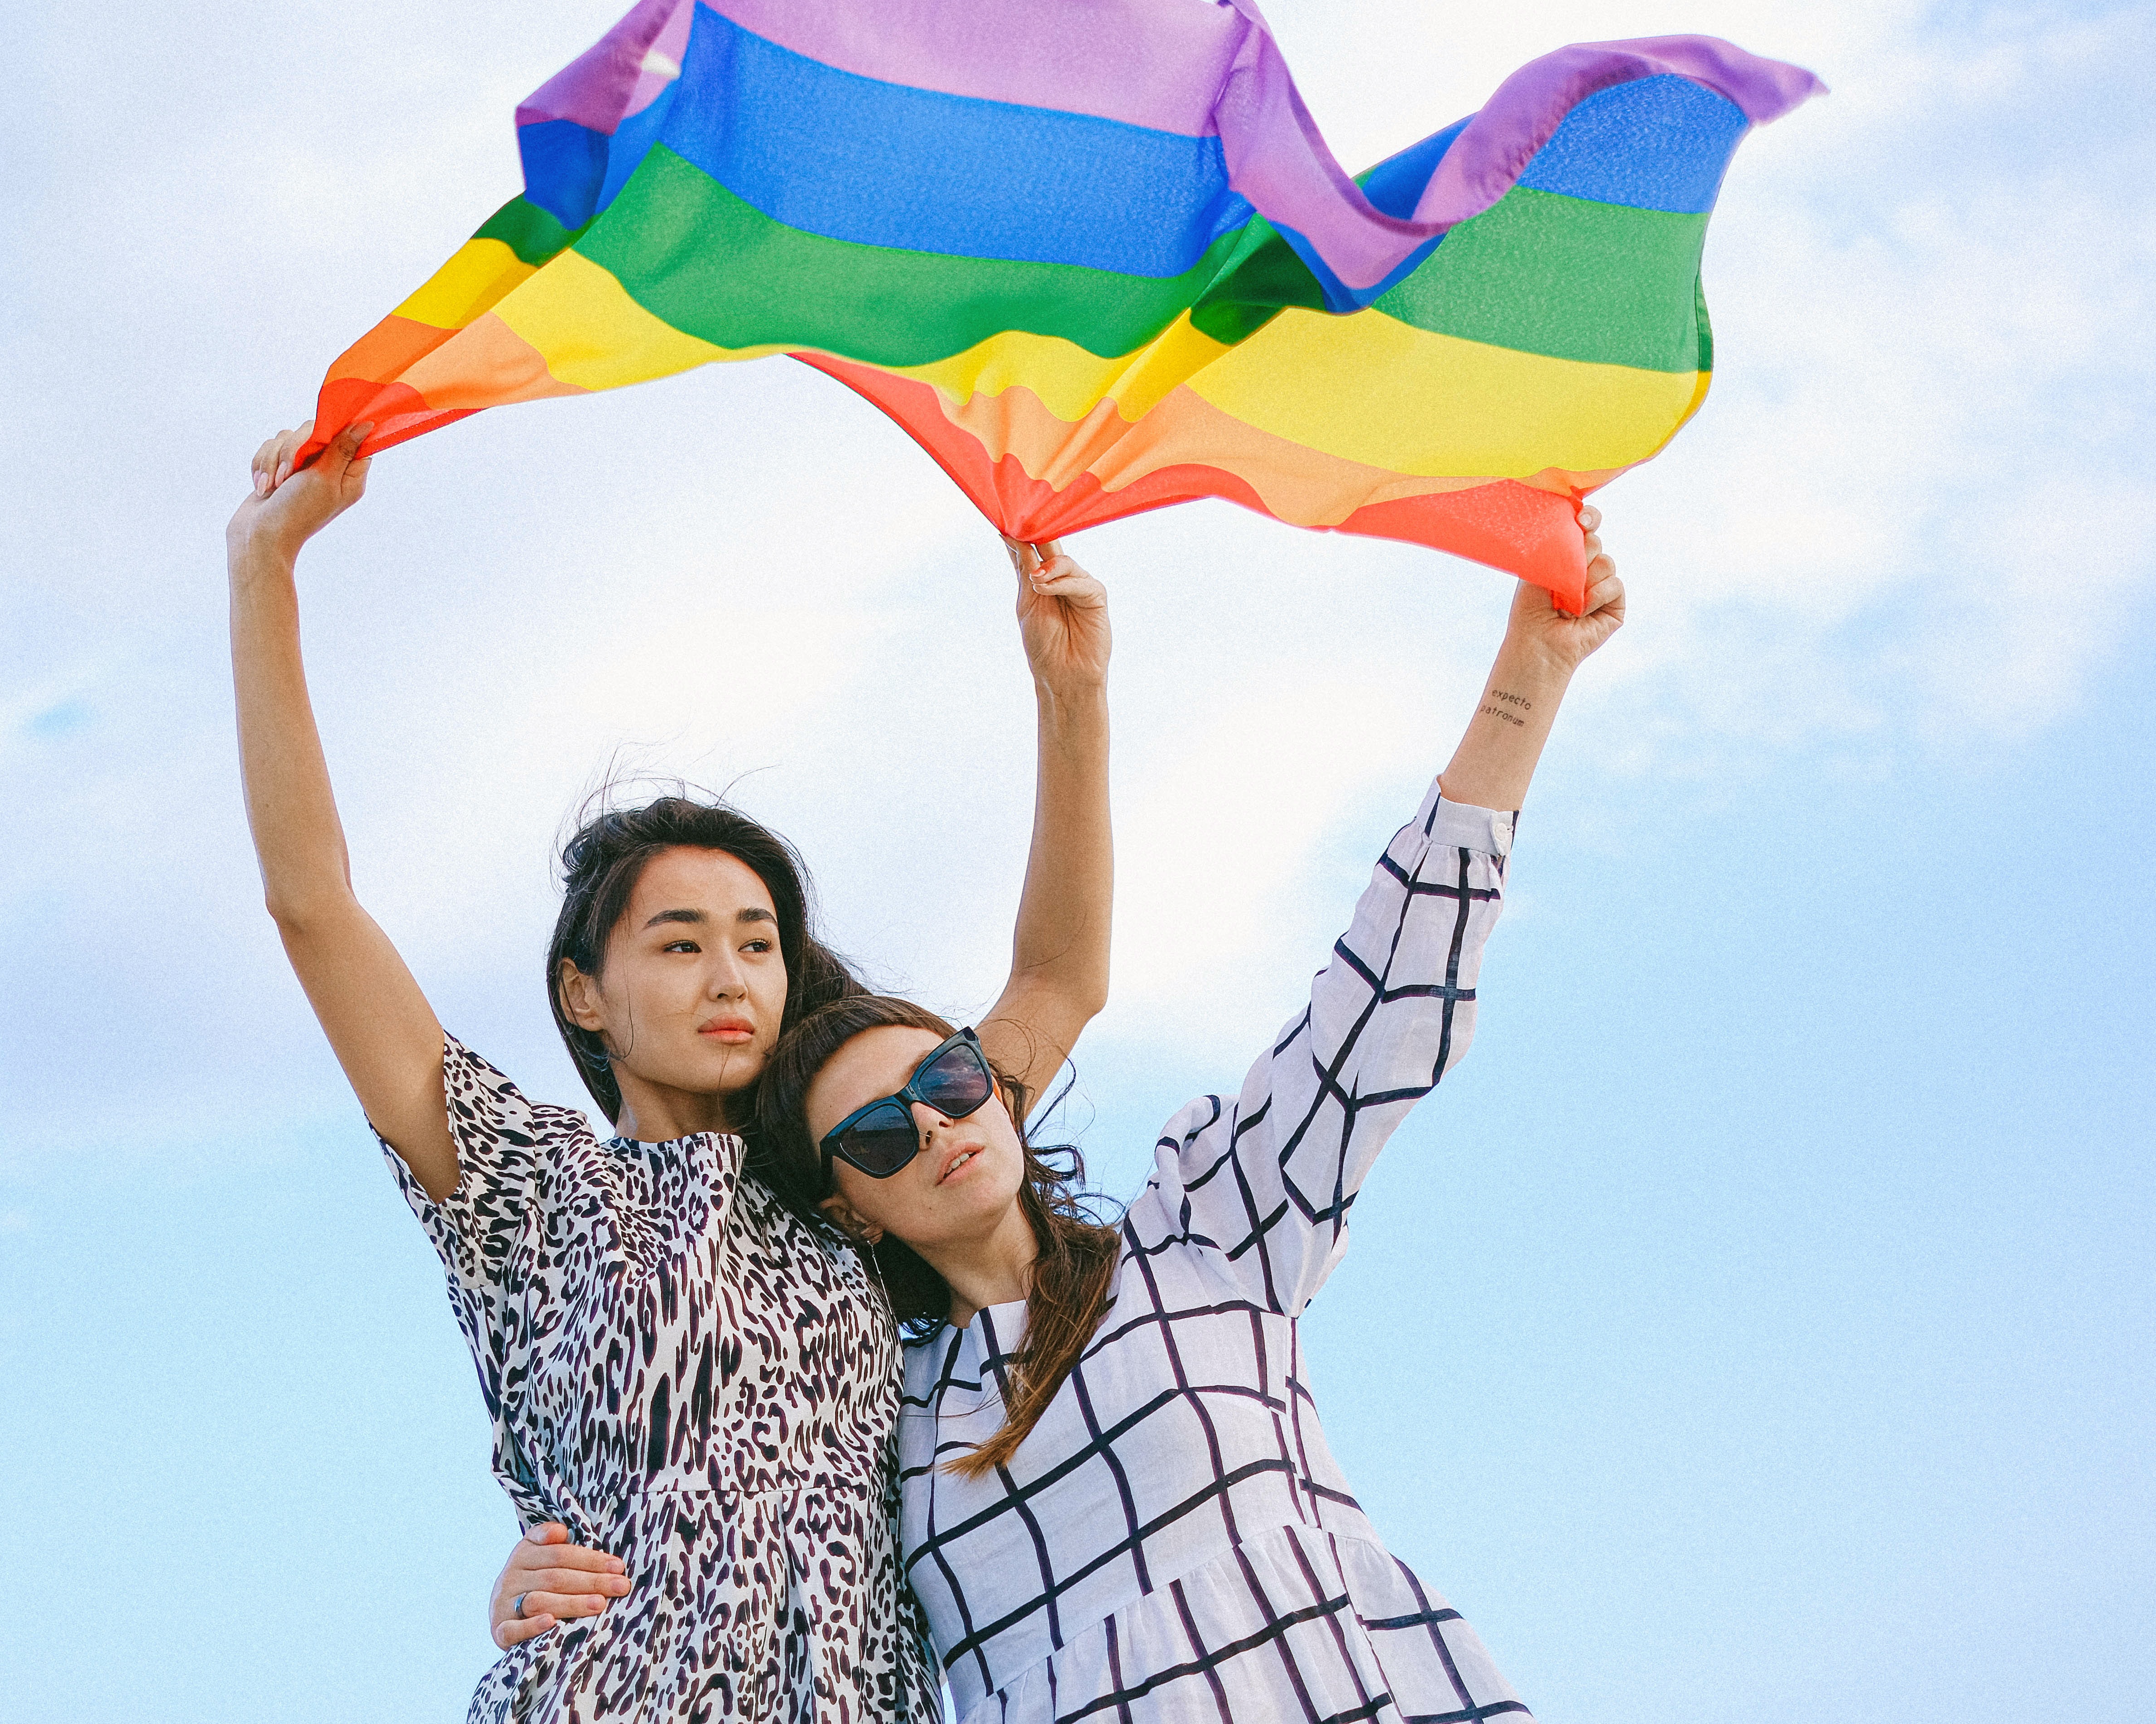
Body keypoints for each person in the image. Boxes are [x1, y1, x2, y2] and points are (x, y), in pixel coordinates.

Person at [498, 513, 1624, 1724]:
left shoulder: (1204, 1243)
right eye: (880, 1136)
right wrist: (548, 1587)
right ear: (851, 1211)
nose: (930, 1128)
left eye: (947, 1085)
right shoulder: (886, 1415)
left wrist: (1531, 673)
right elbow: (727, 1537)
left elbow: (1381, 1005)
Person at [228, 418, 1114, 1723]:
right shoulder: (526, 1187)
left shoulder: (862, 1168)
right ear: (587, 992)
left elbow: (1057, 987)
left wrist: (1073, 693)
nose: (731, 977)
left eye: (759, 942)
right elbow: (314, 906)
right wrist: (266, 570)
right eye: (681, 941)